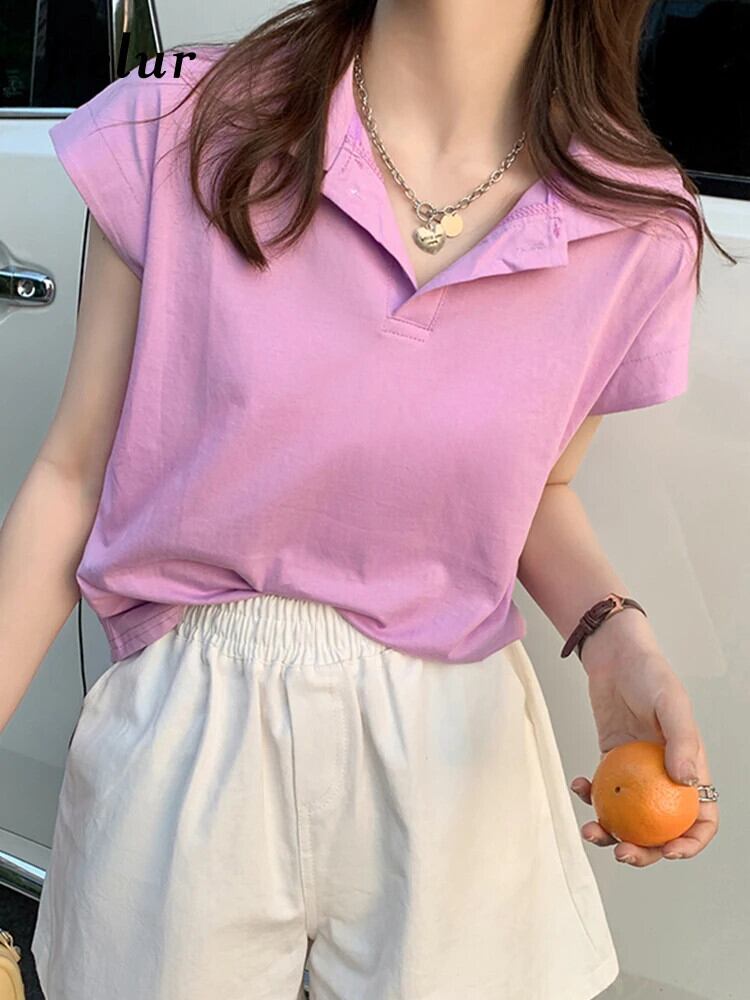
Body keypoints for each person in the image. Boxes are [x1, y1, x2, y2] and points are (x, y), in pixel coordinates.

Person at [0, 1, 724, 997]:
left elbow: (535, 487)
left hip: (454, 740)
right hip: (189, 725)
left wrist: (614, 637)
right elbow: (70, 474)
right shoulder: (187, 124)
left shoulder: (632, 225)